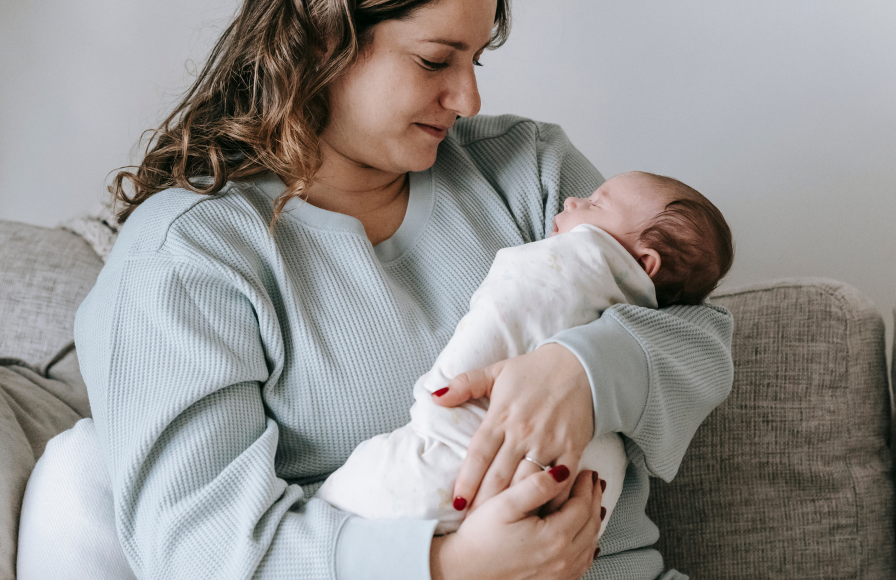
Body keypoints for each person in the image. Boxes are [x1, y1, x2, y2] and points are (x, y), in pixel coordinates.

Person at [30, 0, 734, 578]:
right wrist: (443, 565)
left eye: (477, 58)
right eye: (436, 61)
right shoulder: (191, 255)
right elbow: (201, 542)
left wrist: (582, 373)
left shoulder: (528, 173)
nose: (467, 97)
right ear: (318, 41)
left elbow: (700, 336)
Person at [314, 171, 734, 540]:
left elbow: (710, 340)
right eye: (434, 71)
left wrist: (581, 369)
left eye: (594, 203)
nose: (573, 200)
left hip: (511, 499)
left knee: (349, 490)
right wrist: (454, 566)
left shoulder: (566, 237)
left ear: (645, 263)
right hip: (525, 531)